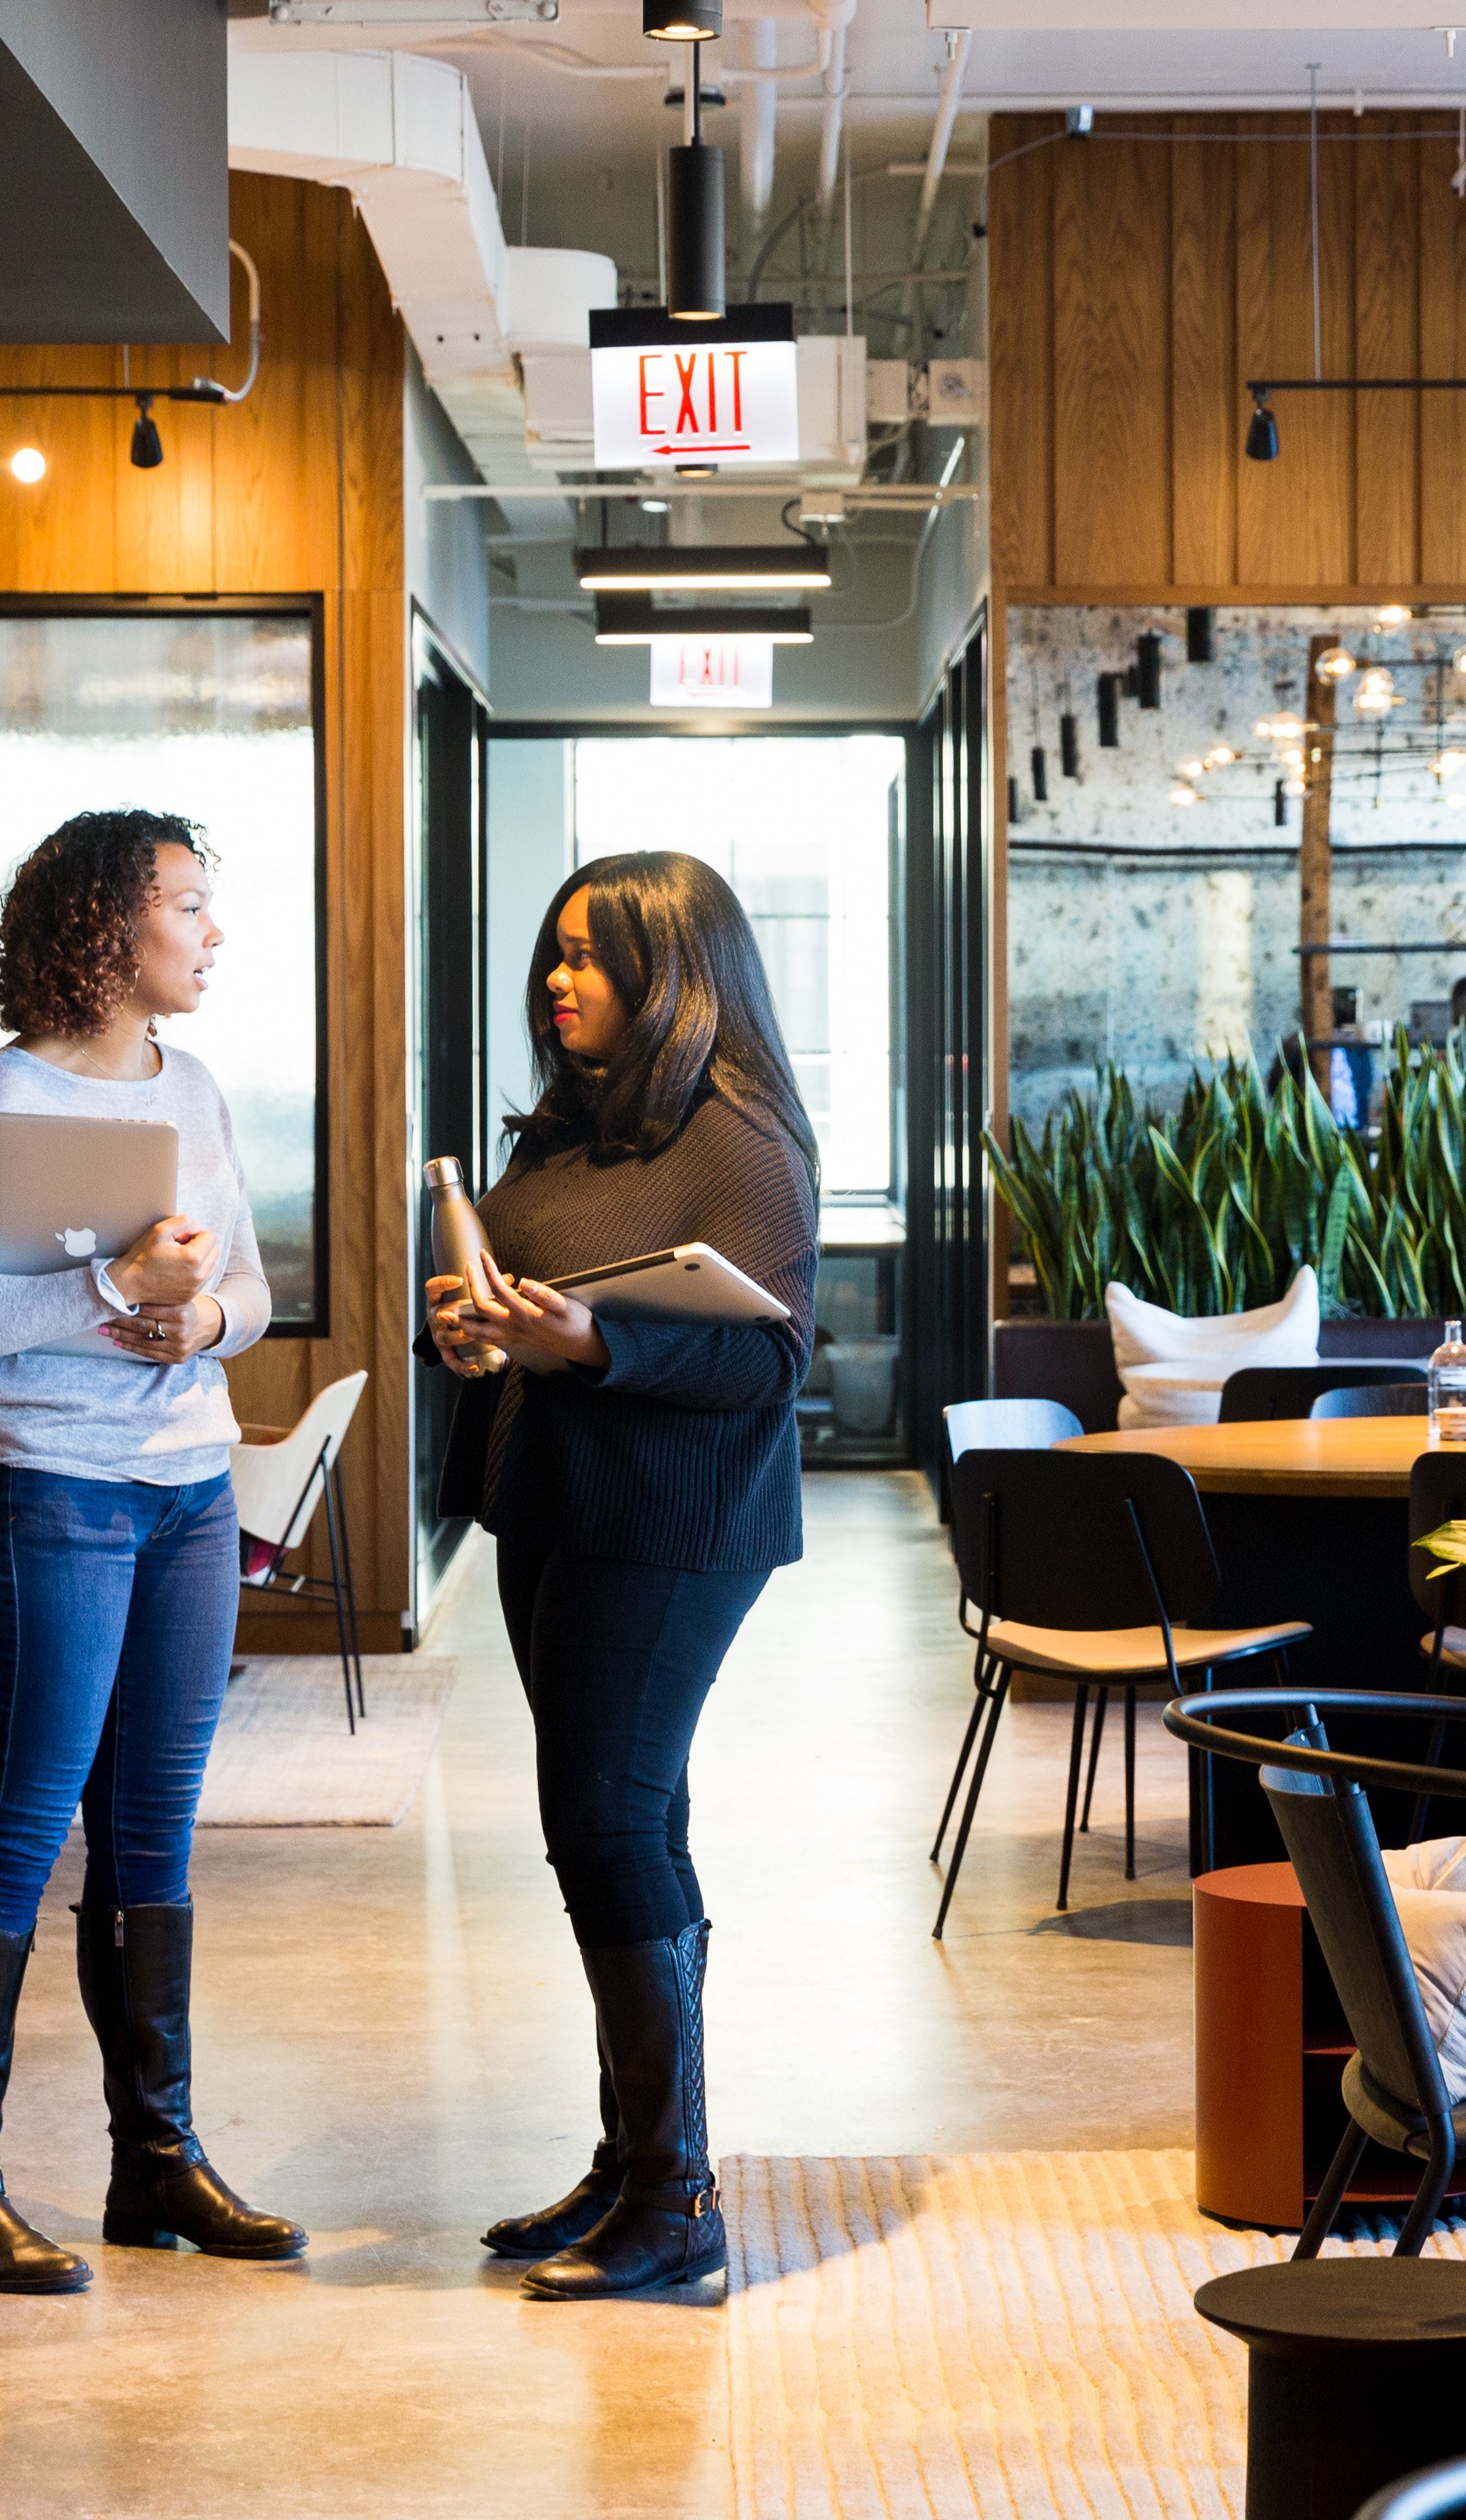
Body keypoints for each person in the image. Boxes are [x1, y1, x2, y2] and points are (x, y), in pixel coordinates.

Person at [0, 807, 304, 2295]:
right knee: (16, 1827)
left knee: (154, 1836)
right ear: (106, 930)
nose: (209, 933)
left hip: (190, 1483)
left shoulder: (192, 1087)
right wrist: (108, 1289)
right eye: (188, 905)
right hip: (45, 1490)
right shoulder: (2, 1093)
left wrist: (200, 1320)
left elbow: (252, 1283)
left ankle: (157, 2167)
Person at [429, 851, 820, 2301]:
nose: (559, 978)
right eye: (555, 952)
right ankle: (632, 2165)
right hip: (549, 1505)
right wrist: (464, 1334)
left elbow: (768, 1358)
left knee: (604, 1825)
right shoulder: (562, 1134)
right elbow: (515, 1308)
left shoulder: (740, 1138)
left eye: (590, 956)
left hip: (671, 1522)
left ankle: (677, 2197)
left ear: (672, 972)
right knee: (624, 1824)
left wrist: (588, 1345)